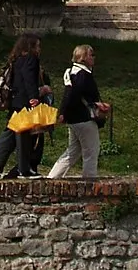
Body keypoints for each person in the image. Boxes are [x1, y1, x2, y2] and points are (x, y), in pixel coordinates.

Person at [0, 34, 50, 178]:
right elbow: (29, 79)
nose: (40, 49)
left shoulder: (16, 60)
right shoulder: (31, 59)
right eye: (37, 46)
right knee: (24, 137)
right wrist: (34, 97)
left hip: (15, 102)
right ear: (31, 47)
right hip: (24, 104)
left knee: (9, 135)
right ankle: (24, 170)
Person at [48, 43, 109, 179]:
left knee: (73, 151)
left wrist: (63, 113)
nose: (94, 58)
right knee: (91, 150)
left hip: (73, 119)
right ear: (83, 57)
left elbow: (70, 94)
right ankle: (89, 178)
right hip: (83, 118)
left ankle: (52, 177)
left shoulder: (73, 72)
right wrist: (97, 104)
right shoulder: (82, 75)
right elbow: (72, 95)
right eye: (91, 55)